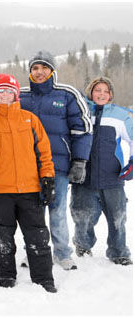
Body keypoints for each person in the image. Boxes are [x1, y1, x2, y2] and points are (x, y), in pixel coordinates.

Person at [0, 73, 57, 293]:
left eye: (10, 91)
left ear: (16, 94)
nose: (6, 95)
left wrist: (47, 178)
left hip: (30, 189)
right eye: (1, 91)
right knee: (2, 238)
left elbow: (44, 152)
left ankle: (44, 279)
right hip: (0, 190)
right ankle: (5, 277)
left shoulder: (30, 119)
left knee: (38, 236)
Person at [19, 50, 93, 270]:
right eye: (35, 68)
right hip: (28, 166)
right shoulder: (21, 95)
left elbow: (83, 129)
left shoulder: (66, 94)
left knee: (57, 210)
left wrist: (80, 160)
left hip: (58, 165)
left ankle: (62, 253)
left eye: (43, 68)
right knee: (34, 213)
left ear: (52, 70)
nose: (39, 72)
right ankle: (35, 250)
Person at [70, 76, 132, 266]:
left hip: (112, 177)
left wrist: (131, 163)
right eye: (98, 90)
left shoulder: (120, 115)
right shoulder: (81, 112)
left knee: (117, 218)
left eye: (106, 91)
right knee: (82, 215)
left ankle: (119, 251)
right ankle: (82, 245)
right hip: (84, 176)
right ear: (91, 92)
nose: (102, 94)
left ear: (111, 95)